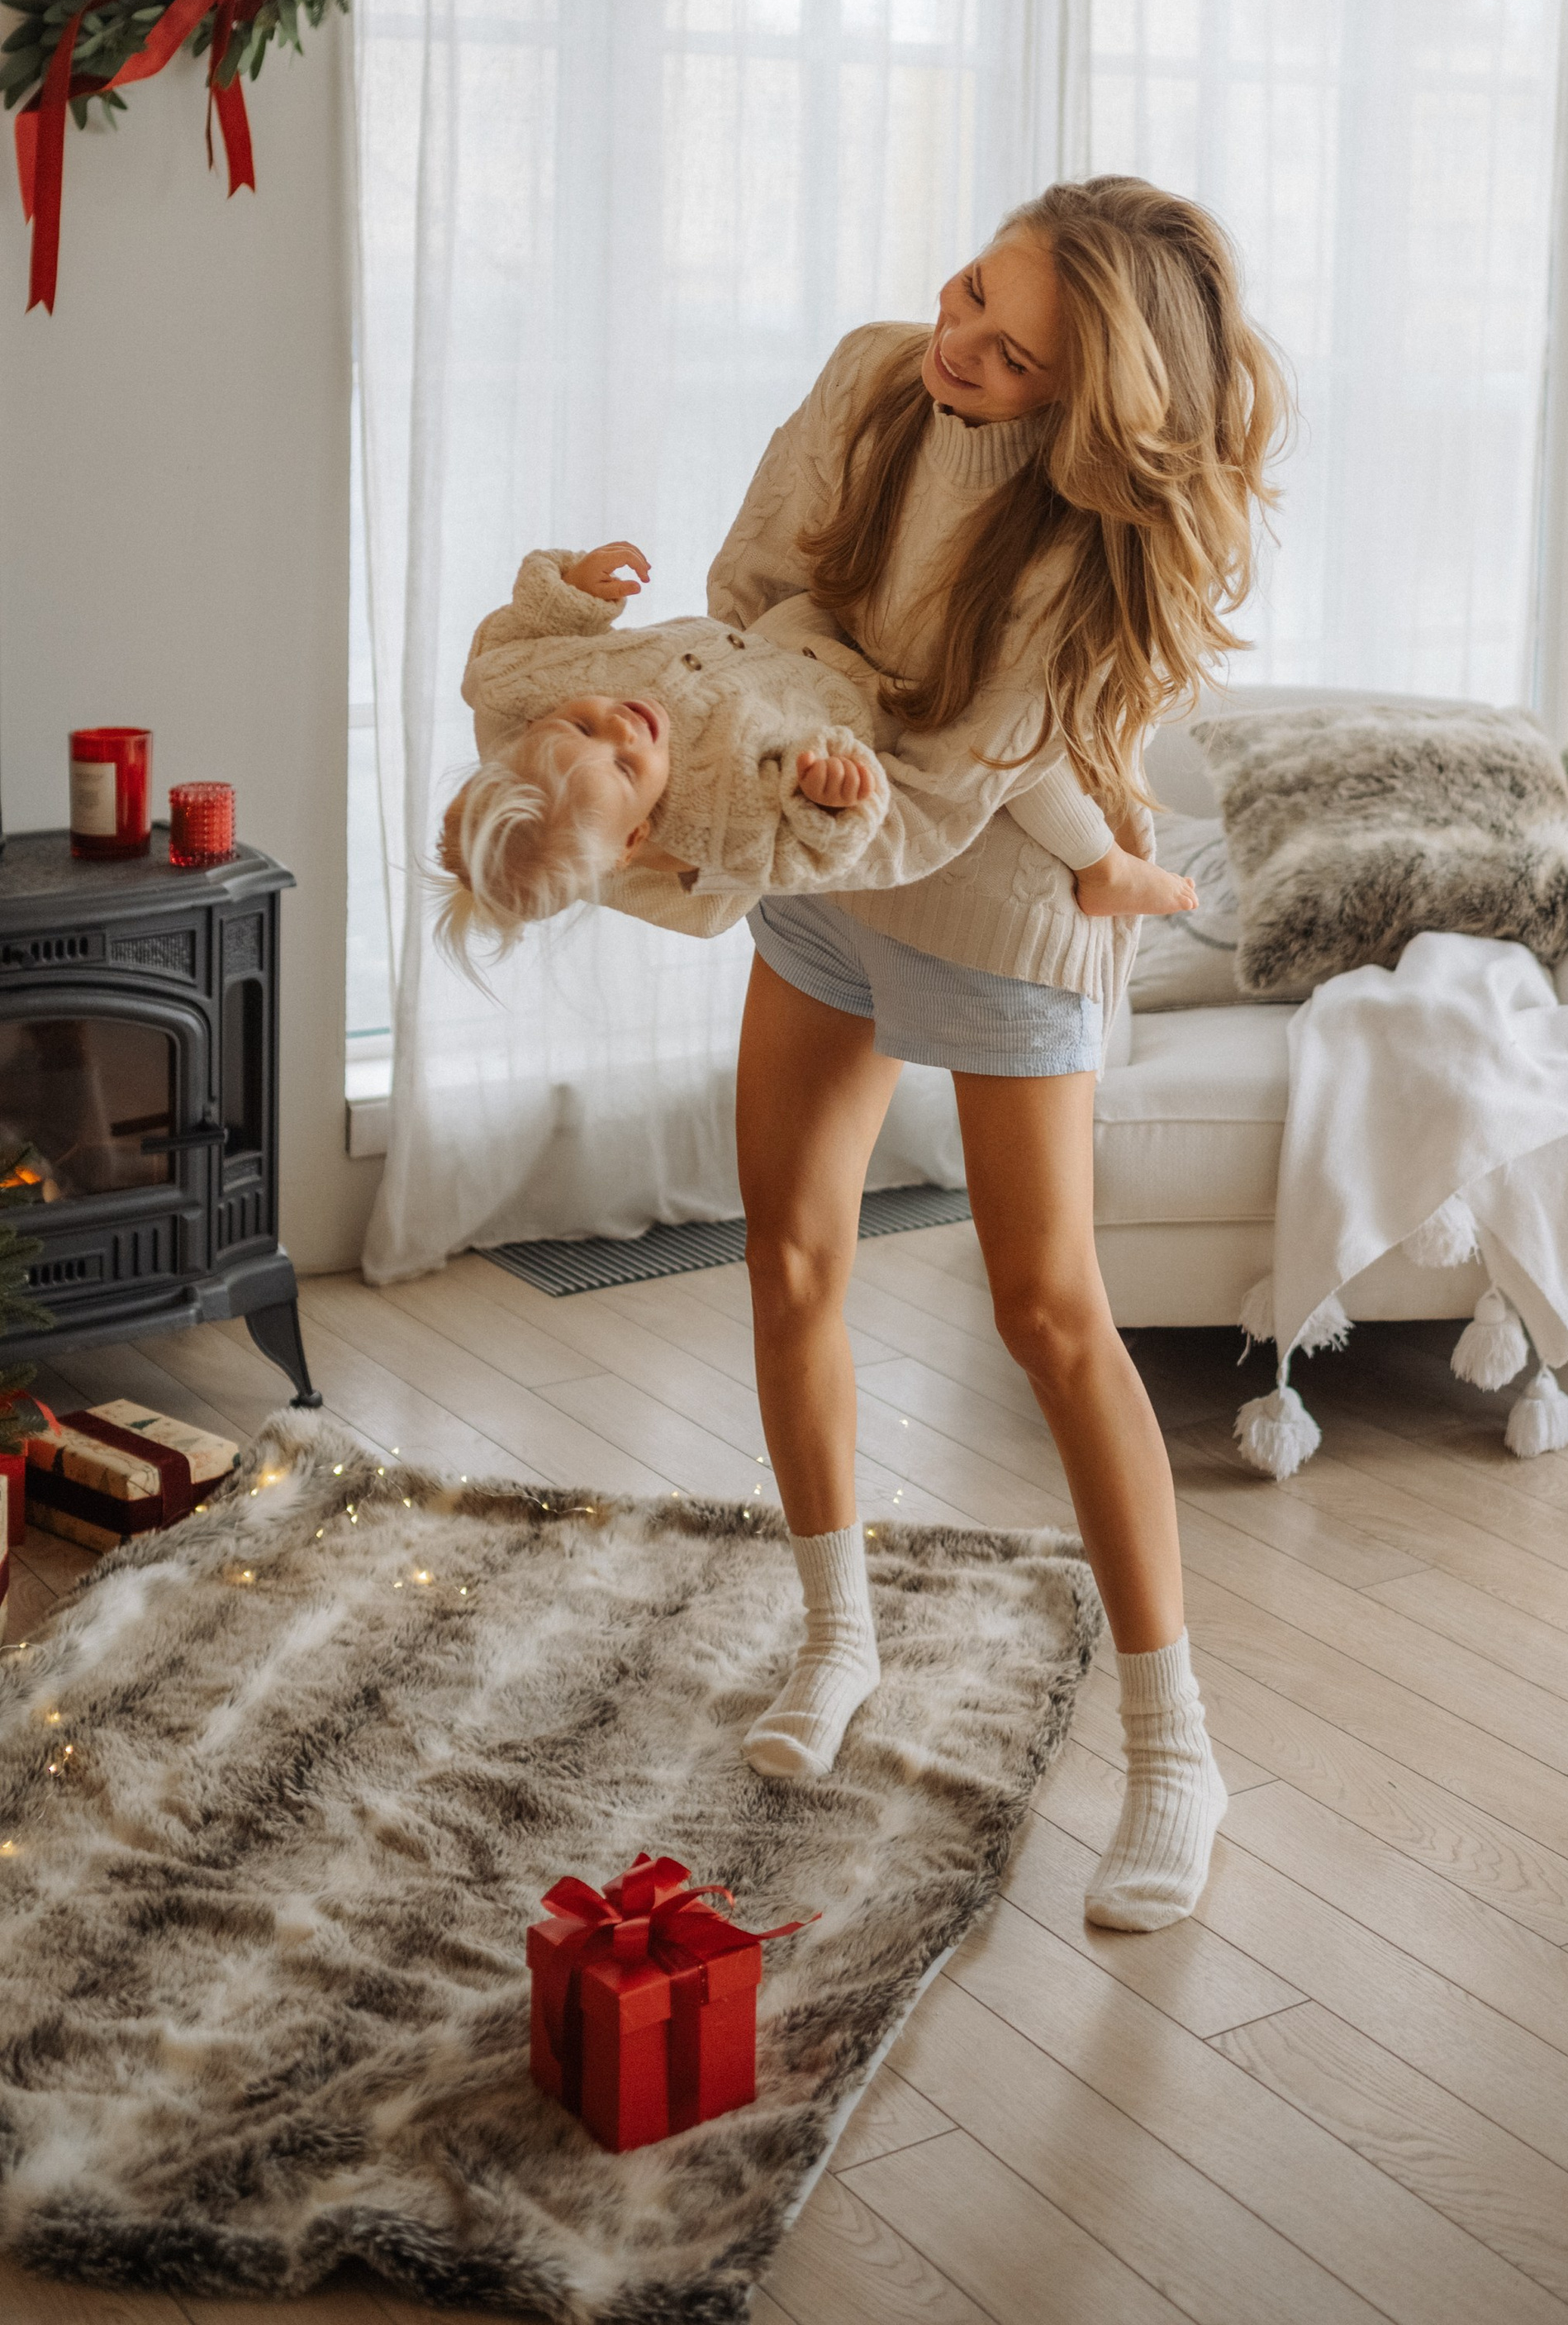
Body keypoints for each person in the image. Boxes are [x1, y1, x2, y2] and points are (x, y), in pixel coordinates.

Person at [715, 176, 1285, 1933]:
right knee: (792, 1248)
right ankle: (837, 1638)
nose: (954, 338)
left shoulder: (1077, 541)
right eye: (968, 288)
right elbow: (751, 589)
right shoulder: (876, 381)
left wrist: (844, 740)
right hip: (827, 850)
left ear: (1080, 397)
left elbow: (956, 764)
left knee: (1046, 1315)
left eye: (1007, 346)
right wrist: (803, 742)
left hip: (997, 894)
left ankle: (1172, 1748)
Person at [435, 548, 1192, 961]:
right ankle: (1106, 868)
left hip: (781, 646)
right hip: (857, 709)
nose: (624, 728)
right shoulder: (711, 826)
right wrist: (831, 796)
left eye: (582, 723)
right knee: (1005, 750)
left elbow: (516, 646)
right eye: (627, 767)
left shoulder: (522, 713)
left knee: (845, 567)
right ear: (638, 834)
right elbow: (806, 853)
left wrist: (573, 591)